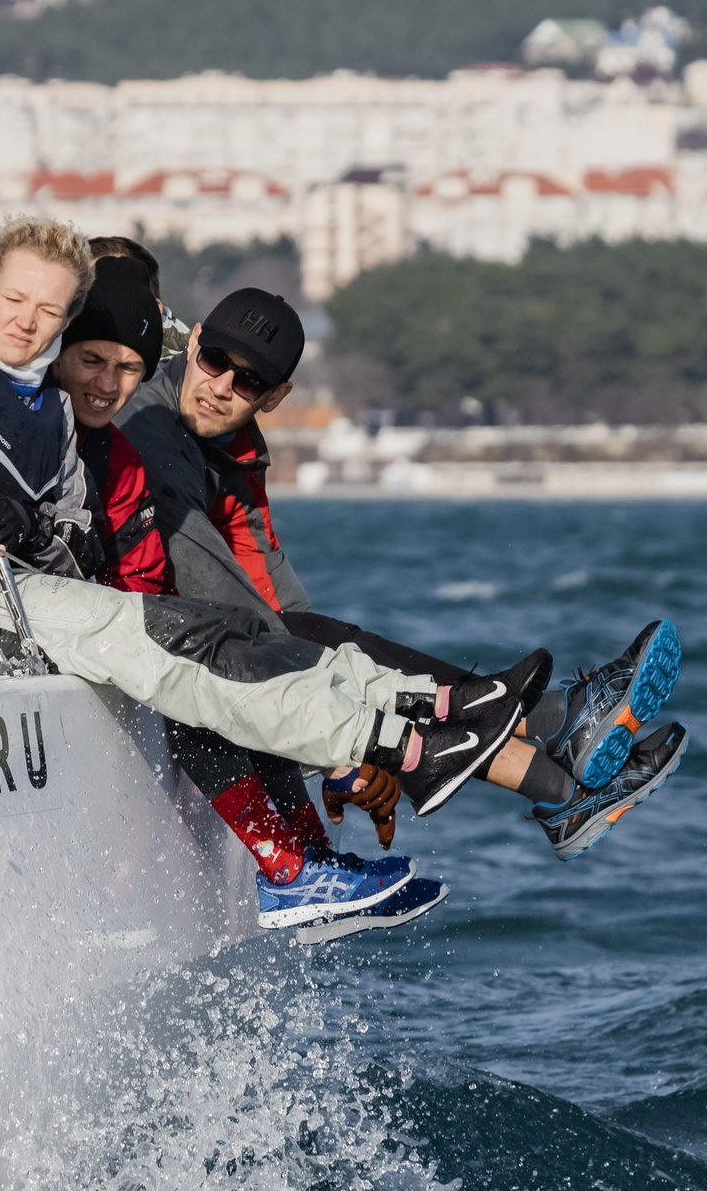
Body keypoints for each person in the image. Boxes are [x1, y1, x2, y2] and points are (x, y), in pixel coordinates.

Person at [0, 217, 578, 900]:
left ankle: (439, 722)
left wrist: (22, 533)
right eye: (19, 301)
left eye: (119, 362)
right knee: (183, 651)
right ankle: (399, 763)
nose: (34, 325)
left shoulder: (48, 417)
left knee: (218, 636)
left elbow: (74, 552)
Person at [118, 282, 687, 860]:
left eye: (249, 381)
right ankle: (555, 739)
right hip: (140, 650)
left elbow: (281, 606)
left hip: (187, 650)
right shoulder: (153, 436)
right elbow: (246, 623)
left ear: (276, 395)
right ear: (192, 345)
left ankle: (559, 772)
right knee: (304, 650)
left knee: (322, 640)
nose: (221, 388)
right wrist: (342, 737)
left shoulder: (228, 443)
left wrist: (345, 695)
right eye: (215, 361)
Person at [51, 248, 444, 935]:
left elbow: (237, 563)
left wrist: (309, 694)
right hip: (63, 629)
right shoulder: (83, 416)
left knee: (229, 664)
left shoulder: (139, 436)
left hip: (122, 622)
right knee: (198, 680)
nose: (108, 377)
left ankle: (308, 860)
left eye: (125, 363)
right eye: (94, 358)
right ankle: (285, 864)